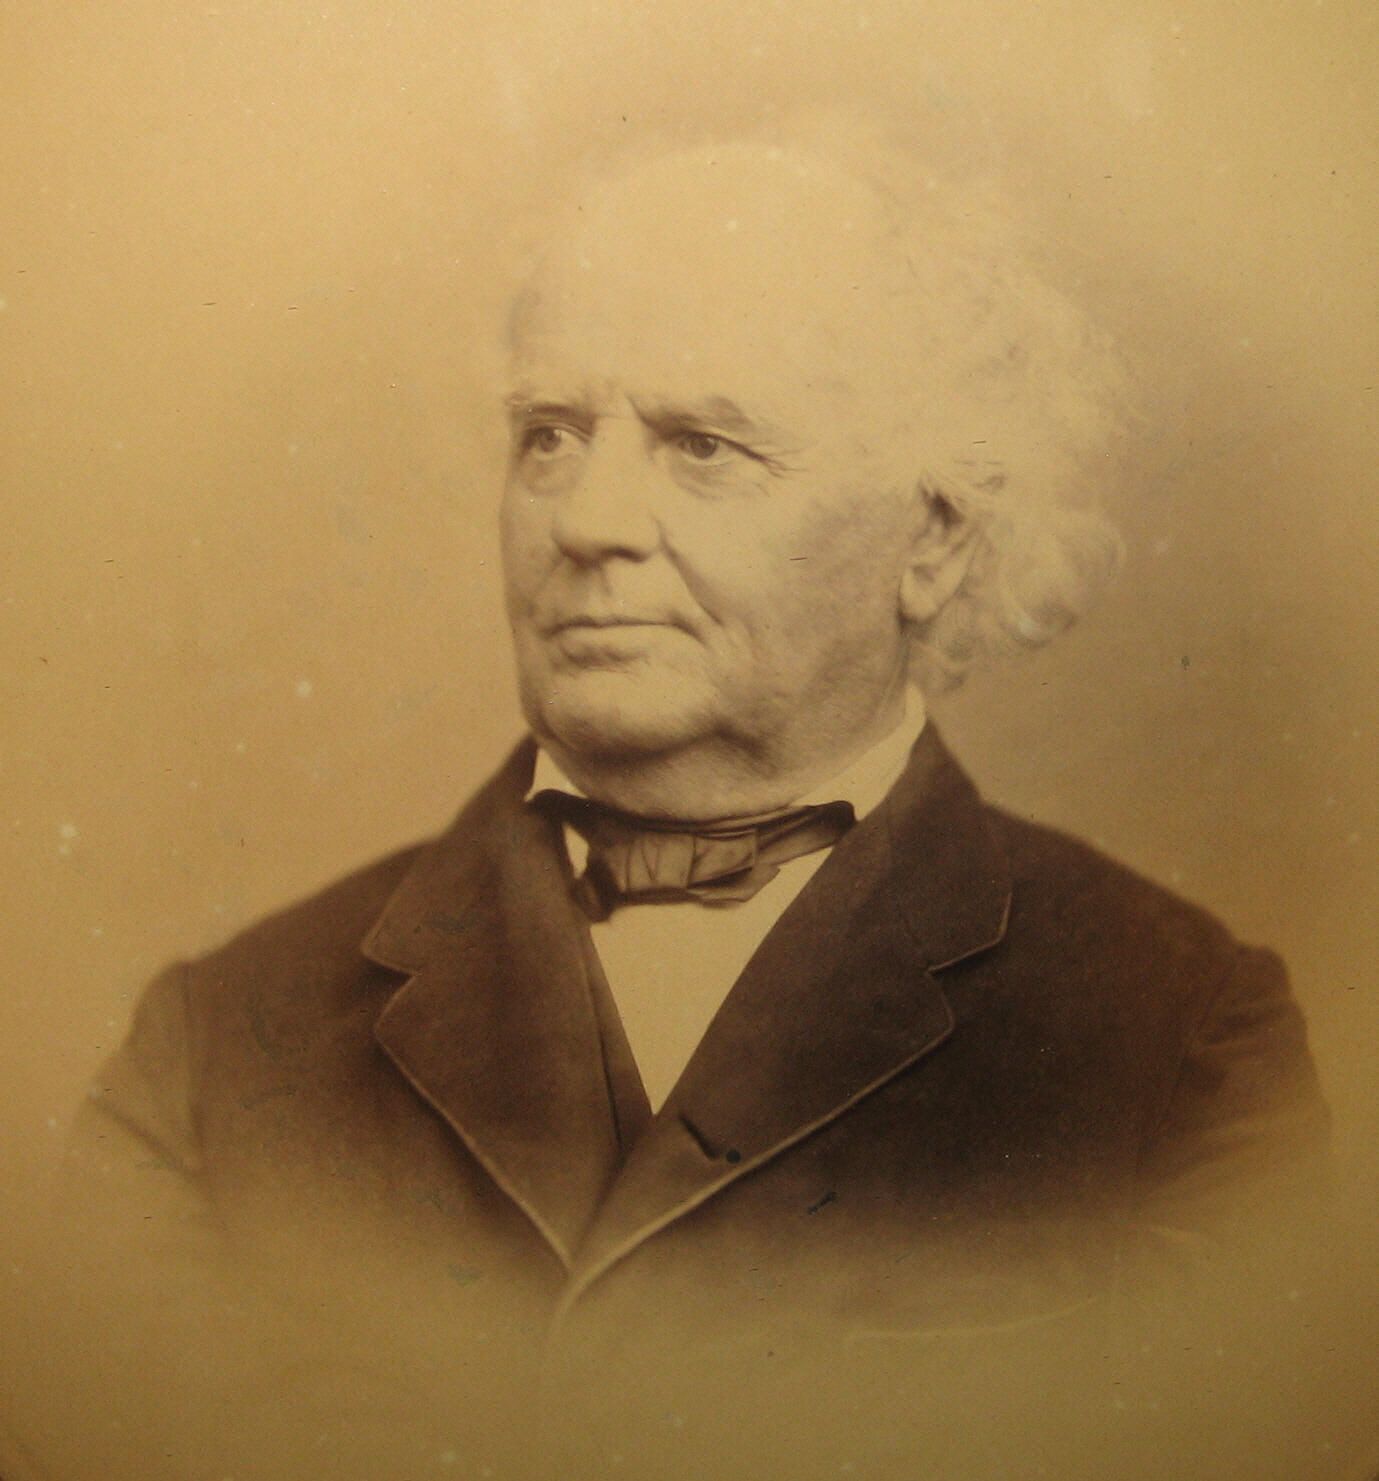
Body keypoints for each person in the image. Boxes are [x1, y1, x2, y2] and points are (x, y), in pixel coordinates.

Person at [56, 131, 1328, 1481]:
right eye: (549, 437)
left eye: (704, 445)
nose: (587, 521)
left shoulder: (1184, 1040)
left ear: (935, 538)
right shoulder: (212, 1052)